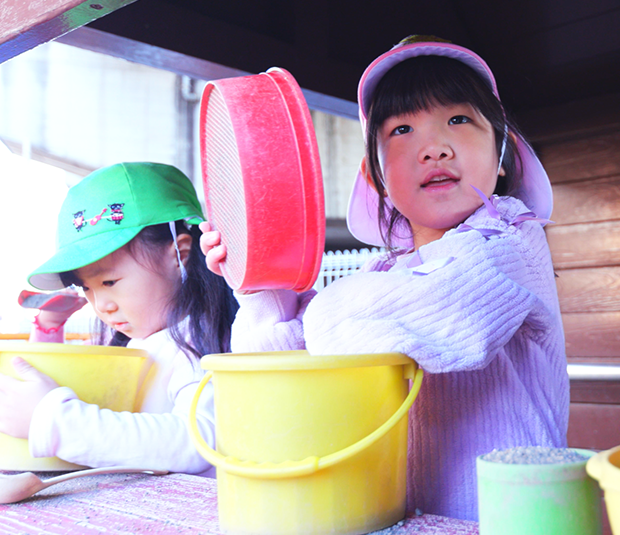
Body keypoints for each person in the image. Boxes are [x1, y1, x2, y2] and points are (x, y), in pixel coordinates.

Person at [200, 36, 569, 519]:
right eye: (401, 129)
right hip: (406, 518)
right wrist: (260, 281)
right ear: (378, 178)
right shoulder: (384, 272)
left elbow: (429, 311)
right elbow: (278, 360)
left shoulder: (509, 239)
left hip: (516, 519)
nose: (434, 147)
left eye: (459, 120)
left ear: (502, 157)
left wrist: (316, 316)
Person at [0, 162, 237, 476]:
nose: (101, 305)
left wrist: (55, 422)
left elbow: (199, 441)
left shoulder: (199, 344)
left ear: (178, 253)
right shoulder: (134, 342)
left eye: (109, 282)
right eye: (86, 287)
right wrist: (48, 330)